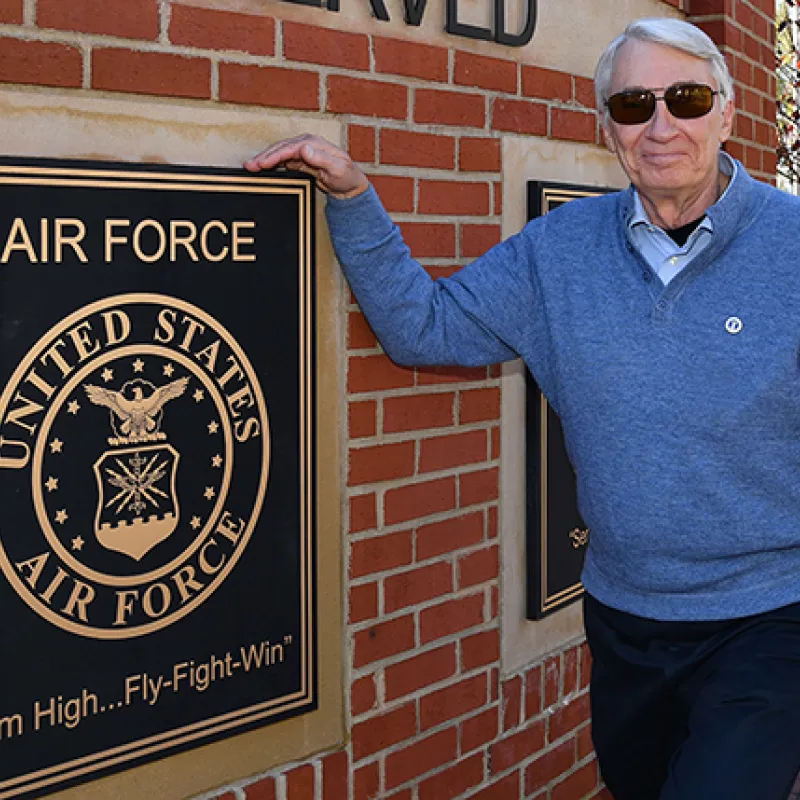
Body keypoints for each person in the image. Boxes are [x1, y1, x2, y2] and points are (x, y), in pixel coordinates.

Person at [245, 17, 800, 800]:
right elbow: (423, 330)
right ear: (607, 129)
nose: (662, 124)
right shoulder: (556, 252)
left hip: (771, 617)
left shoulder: (793, 245)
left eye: (686, 97)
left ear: (727, 112)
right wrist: (354, 199)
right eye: (635, 104)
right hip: (625, 619)